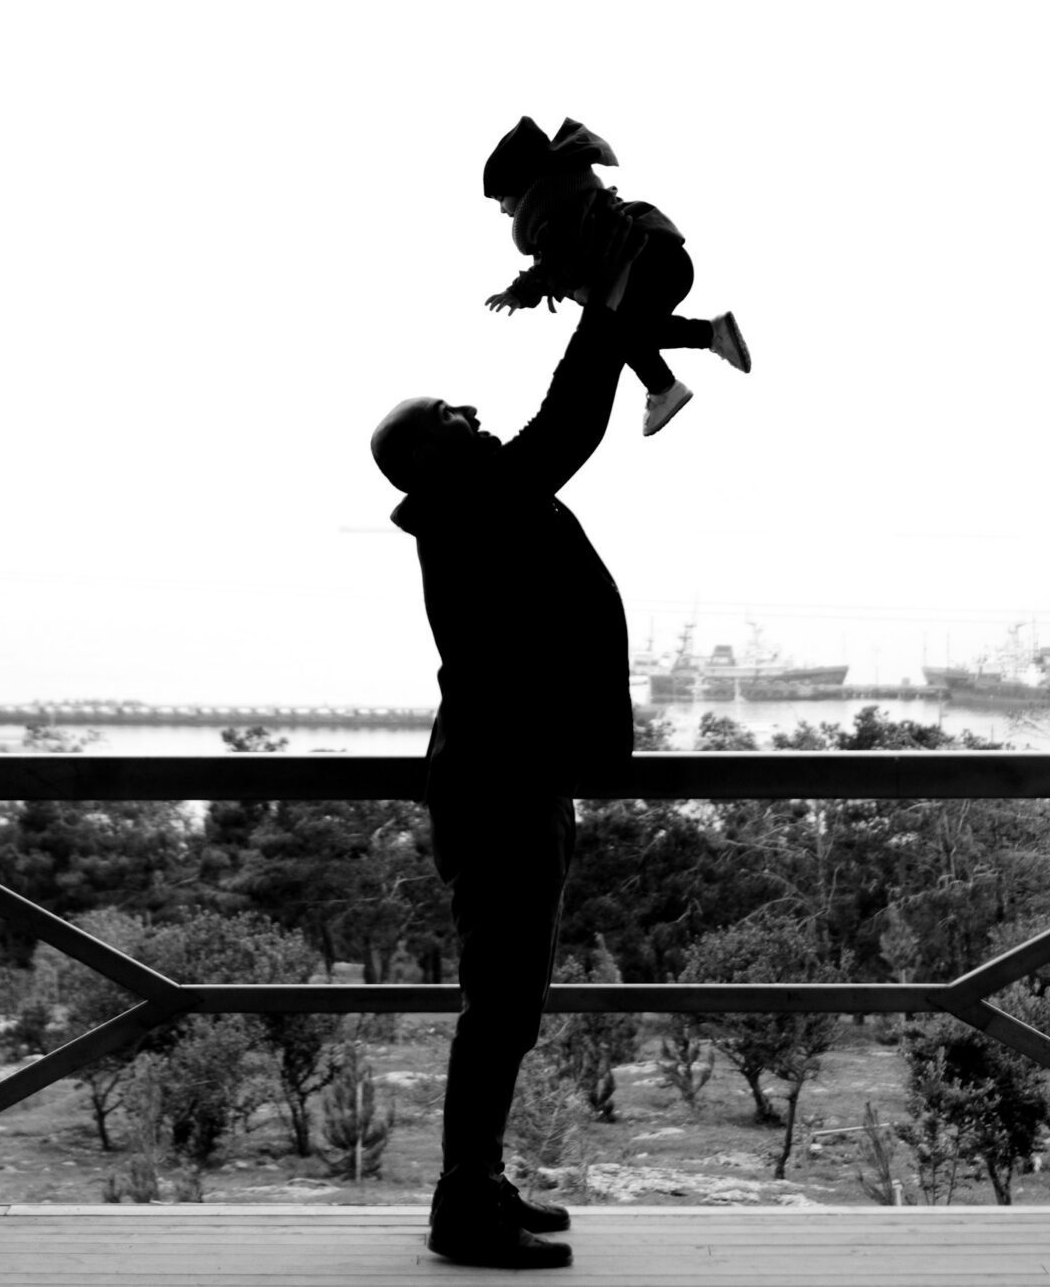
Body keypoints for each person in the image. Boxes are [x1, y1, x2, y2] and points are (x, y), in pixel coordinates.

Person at [369, 208, 641, 1270]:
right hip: (497, 784)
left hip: (512, 775)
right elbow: (567, 425)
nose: (473, 416)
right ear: (426, 461)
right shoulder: (474, 505)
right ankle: (461, 1211)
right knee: (500, 1003)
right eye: (451, 416)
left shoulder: (474, 504)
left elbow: (552, 438)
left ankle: (478, 1181)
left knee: (512, 1000)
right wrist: (608, 312)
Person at [483, 115, 752, 436]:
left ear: (525, 186)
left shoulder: (557, 215)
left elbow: (557, 260)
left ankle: (670, 381)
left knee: (617, 331)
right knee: (628, 331)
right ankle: (690, 359)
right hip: (663, 263)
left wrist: (520, 291)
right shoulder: (576, 201)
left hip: (653, 266)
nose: (502, 210)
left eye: (501, 198)